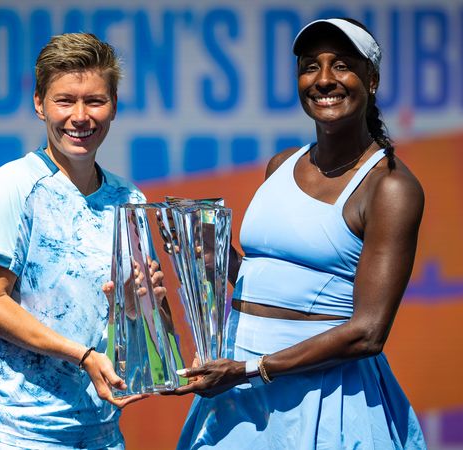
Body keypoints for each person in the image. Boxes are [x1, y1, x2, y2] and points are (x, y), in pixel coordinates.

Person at [171, 18, 427, 449]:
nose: (324, 79)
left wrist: (251, 370)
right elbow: (275, 286)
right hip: (237, 399)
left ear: (372, 80)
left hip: (323, 400)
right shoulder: (281, 164)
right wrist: (220, 259)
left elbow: (368, 333)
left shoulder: (391, 187)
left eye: (341, 65)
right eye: (311, 66)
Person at [0, 33, 155, 449]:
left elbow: (130, 332)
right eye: (65, 101)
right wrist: (82, 355)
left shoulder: (130, 200)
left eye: (94, 101)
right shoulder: (11, 188)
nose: (80, 116)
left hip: (99, 435)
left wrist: (136, 308)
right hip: (9, 433)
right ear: (39, 103)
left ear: (114, 105)